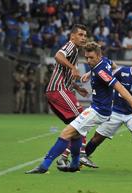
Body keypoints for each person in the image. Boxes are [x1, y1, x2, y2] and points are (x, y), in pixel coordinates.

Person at [25, 41, 132, 174]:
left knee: (66, 133)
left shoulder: (101, 71)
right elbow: (113, 64)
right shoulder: (103, 62)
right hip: (99, 109)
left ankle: (44, 166)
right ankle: (75, 164)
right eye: (86, 57)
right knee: (77, 134)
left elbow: (121, 89)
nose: (88, 60)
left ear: (98, 56)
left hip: (98, 111)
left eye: (91, 58)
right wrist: (90, 73)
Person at [44, 24, 96, 168]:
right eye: (80, 34)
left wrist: (77, 88)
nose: (83, 38)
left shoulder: (75, 52)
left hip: (60, 90)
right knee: (83, 119)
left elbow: (64, 73)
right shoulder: (70, 46)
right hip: (58, 90)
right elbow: (58, 55)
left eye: (85, 35)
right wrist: (73, 67)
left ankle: (64, 158)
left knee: (75, 127)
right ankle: (81, 155)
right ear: (72, 36)